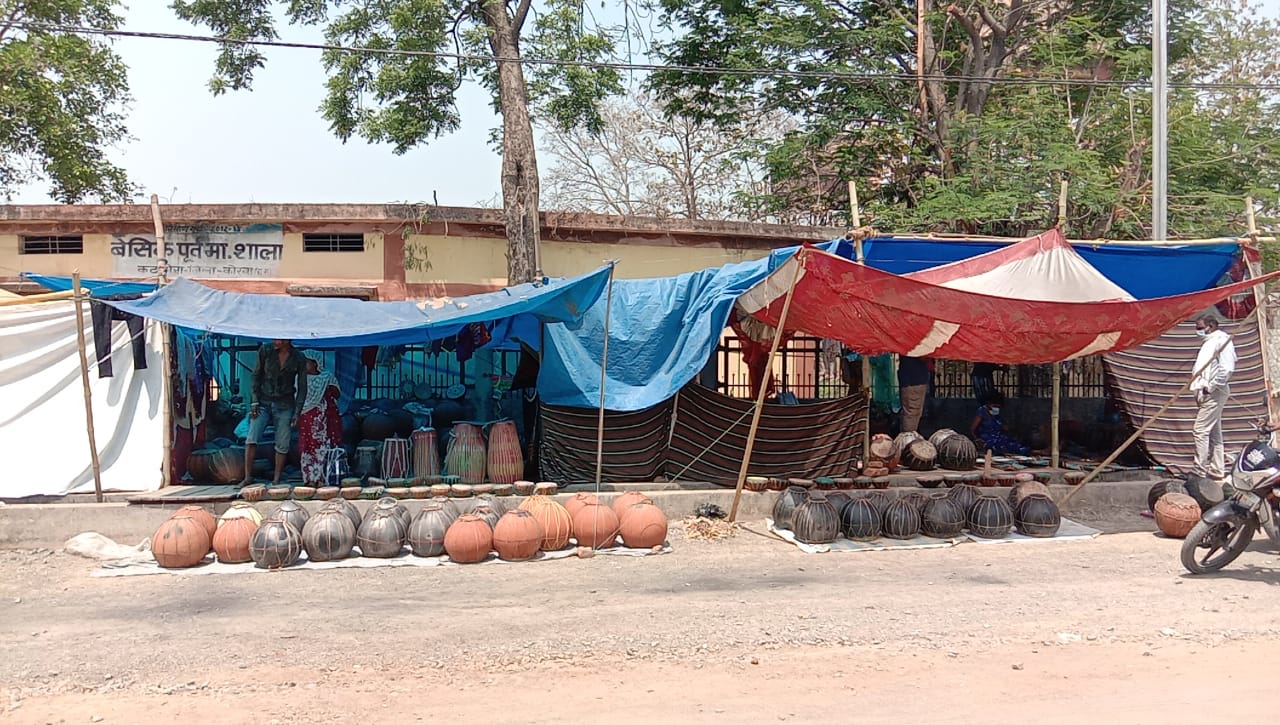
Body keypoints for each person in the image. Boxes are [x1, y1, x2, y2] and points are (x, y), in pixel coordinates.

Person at [241, 339, 308, 487]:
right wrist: (254, 401)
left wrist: (297, 411)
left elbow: (303, 387)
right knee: (251, 437)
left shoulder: (298, 357)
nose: (275, 341)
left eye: (279, 339)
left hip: (285, 403)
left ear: (287, 339)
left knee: (282, 442)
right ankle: (247, 477)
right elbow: (256, 376)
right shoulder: (265, 350)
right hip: (263, 402)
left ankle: (276, 480)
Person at [1189, 316, 1236, 485]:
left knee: (1200, 430)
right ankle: (1217, 470)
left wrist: (1212, 386)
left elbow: (1227, 368)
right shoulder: (1209, 342)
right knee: (1215, 432)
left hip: (1214, 393)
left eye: (1200, 327)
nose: (1198, 331)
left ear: (1210, 326)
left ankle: (1199, 469)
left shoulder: (1222, 341)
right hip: (1205, 392)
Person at [297, 352, 342, 487]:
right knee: (307, 447)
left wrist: (329, 389)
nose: (304, 365)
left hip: (324, 419)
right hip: (306, 419)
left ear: (315, 363)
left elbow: (337, 394)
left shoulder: (326, 377)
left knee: (323, 447)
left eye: (307, 362)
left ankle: (323, 478)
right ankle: (309, 478)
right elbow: (297, 398)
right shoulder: (300, 378)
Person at [897, 355, 931, 433]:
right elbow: (923, 357)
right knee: (912, 412)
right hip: (915, 379)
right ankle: (908, 439)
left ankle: (905, 437)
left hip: (909, 378)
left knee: (909, 412)